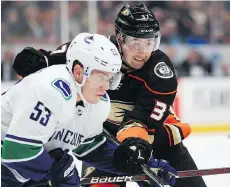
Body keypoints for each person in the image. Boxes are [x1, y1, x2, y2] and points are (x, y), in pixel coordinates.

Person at [12, 4, 206, 187]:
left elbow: (143, 122)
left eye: (149, 43)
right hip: (104, 144)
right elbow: (60, 56)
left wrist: (135, 144)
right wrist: (38, 60)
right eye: (135, 42)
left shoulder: (160, 72)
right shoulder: (96, 50)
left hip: (154, 141)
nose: (142, 52)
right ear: (119, 38)